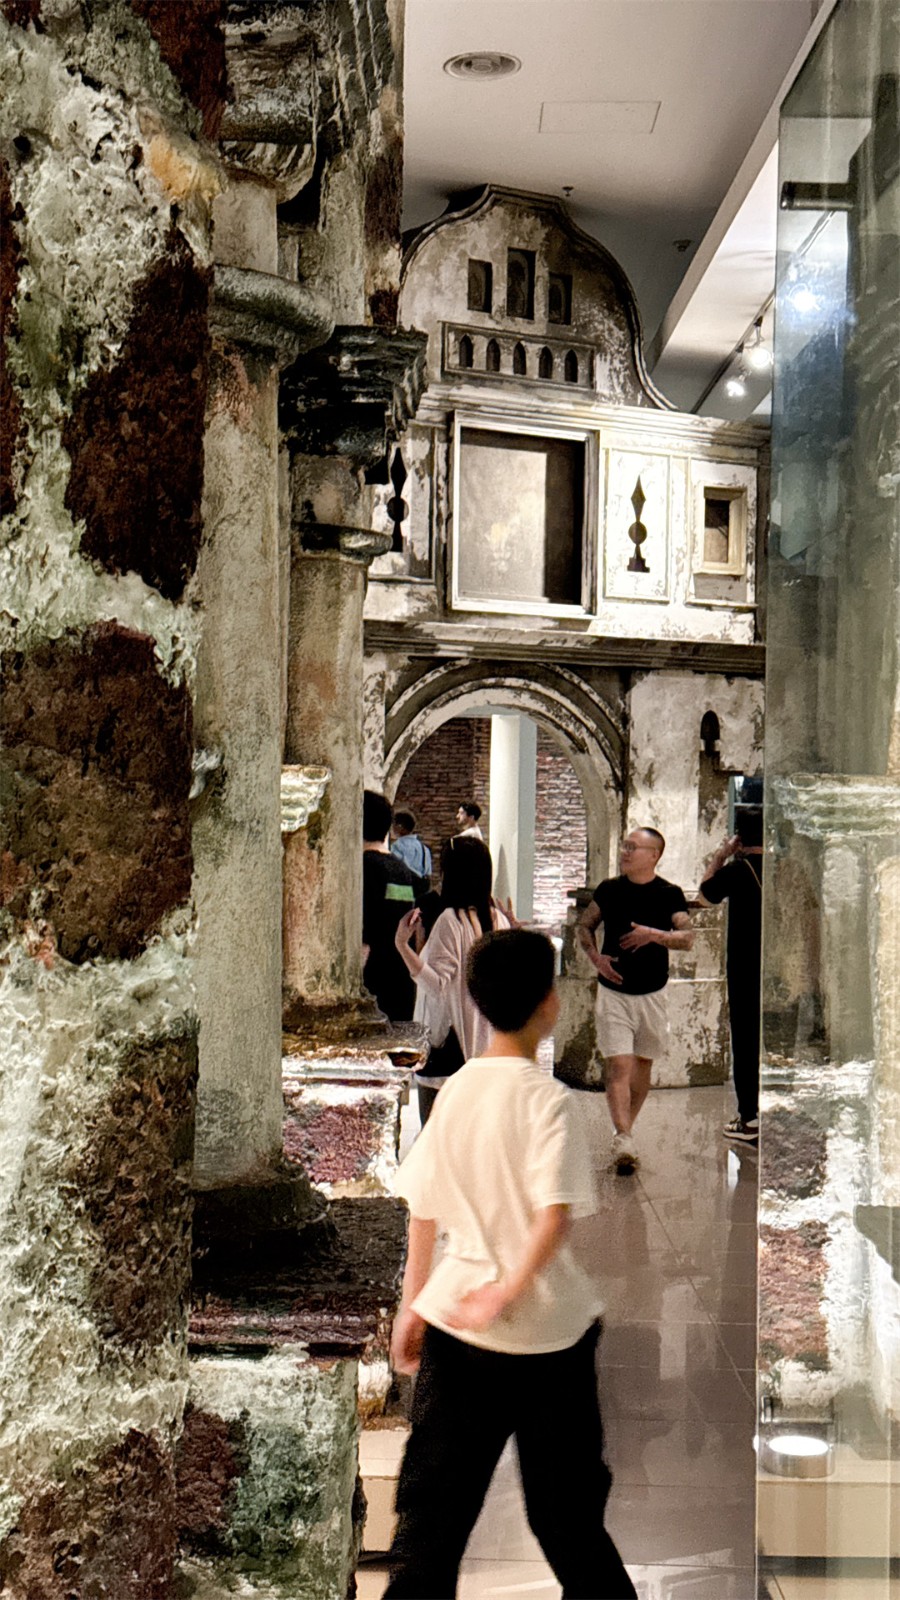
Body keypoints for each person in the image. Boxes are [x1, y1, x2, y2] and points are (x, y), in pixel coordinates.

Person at [385, 929, 637, 1600]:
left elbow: (422, 1209)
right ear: (550, 1004)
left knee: (431, 1525)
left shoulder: (458, 1089)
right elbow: (553, 1215)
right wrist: (508, 1291)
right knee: (567, 1520)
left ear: (475, 999)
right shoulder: (548, 1100)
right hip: (549, 1338)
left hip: (456, 1331)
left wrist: (412, 1306)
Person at [578, 827, 692, 1175]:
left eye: (633, 847)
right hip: (613, 991)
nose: (625, 852)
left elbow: (687, 937)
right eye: (624, 846)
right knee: (619, 1065)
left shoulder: (669, 893)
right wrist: (595, 958)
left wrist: (652, 935)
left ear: (654, 855)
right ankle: (623, 1137)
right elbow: (585, 926)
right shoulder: (609, 889)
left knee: (643, 1063)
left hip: (652, 993)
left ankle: (625, 1131)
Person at [395, 835, 509, 1122]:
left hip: (450, 1049)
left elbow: (435, 984)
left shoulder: (451, 921)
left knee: (437, 1137)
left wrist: (402, 945)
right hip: (488, 1048)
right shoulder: (499, 920)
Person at [698, 806, 763, 1143]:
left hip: (746, 966)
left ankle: (750, 1119)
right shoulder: (786, 867)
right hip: (781, 971)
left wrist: (720, 855)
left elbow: (705, 896)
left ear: (739, 838)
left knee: (746, 1039)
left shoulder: (738, 871)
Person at [362, 790, 424, 1022]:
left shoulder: (364, 868)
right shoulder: (402, 870)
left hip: (373, 980)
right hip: (402, 975)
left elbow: (366, 931)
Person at [390, 807, 432, 884]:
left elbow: (393, 869)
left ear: (399, 827)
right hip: (419, 889)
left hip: (401, 887)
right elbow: (428, 872)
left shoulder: (397, 846)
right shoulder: (424, 849)